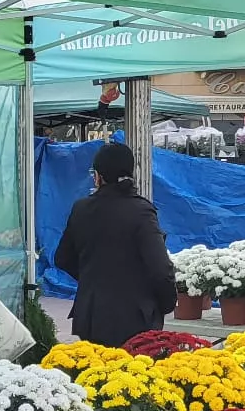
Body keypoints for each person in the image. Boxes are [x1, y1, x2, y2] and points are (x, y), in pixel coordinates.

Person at [54, 141, 175, 348]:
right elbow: (161, 269)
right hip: (136, 318)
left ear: (98, 176)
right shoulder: (141, 212)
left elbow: (62, 258)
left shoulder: (81, 209)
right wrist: (164, 304)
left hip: (91, 316)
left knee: (94, 376)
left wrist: (93, 280)